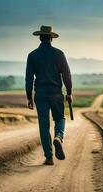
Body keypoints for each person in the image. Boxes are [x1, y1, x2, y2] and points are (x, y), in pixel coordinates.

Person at [25, 25, 72, 165]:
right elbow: (66, 75)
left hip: (40, 95)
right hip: (56, 93)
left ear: (40, 37)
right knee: (60, 119)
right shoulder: (59, 54)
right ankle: (58, 137)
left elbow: (29, 78)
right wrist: (69, 92)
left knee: (44, 126)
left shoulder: (32, 55)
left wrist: (29, 97)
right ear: (51, 38)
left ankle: (49, 157)